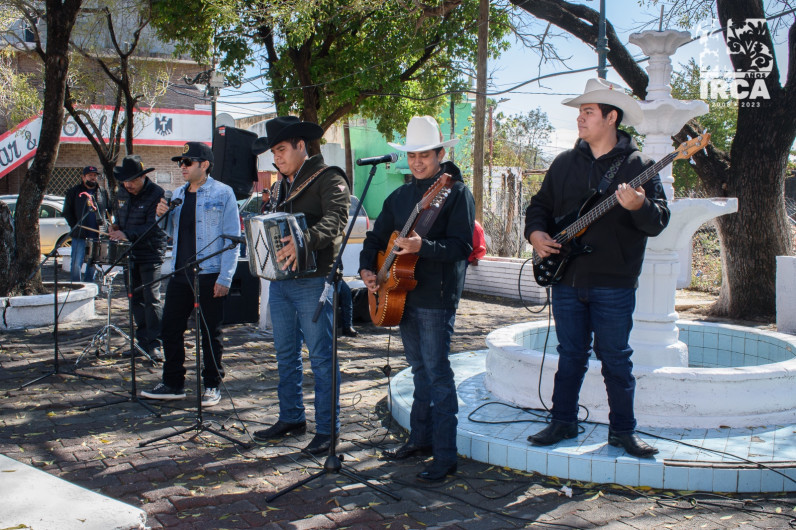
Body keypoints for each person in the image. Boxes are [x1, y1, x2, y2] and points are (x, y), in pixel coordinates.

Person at [524, 78, 671, 457]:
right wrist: (537, 234)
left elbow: (659, 221)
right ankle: (563, 421)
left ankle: (623, 431)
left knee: (616, 358)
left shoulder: (639, 166)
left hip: (614, 281)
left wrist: (640, 206)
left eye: (588, 112)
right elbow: (539, 207)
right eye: (580, 112)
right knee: (569, 355)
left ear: (611, 117)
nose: (580, 118)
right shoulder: (563, 163)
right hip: (566, 277)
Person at [360, 116, 475, 482]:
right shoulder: (400, 196)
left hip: (435, 299)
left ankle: (445, 456)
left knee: (438, 375)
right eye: (412, 156)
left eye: (425, 155)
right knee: (419, 373)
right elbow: (374, 240)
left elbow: (462, 247)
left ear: (441, 154)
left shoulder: (455, 193)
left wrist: (422, 246)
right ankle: (421, 440)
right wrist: (367, 270)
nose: (417, 162)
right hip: (400, 294)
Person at [250, 116, 350, 456]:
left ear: (301, 146)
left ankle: (327, 430)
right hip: (281, 283)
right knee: (285, 355)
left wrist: (304, 240)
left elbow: (337, 220)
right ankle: (291, 417)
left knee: (321, 358)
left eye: (280, 150)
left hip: (314, 282)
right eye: (273, 152)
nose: (276, 157)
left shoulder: (328, 177)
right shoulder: (280, 185)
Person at [140, 142, 240, 408]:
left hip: (210, 272)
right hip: (181, 273)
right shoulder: (179, 194)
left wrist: (225, 278)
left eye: (187, 162)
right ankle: (173, 383)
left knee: (210, 333)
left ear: (204, 164)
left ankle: (211, 384)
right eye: (180, 163)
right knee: (170, 328)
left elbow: (233, 238)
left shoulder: (223, 193)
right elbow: (169, 231)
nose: (181, 167)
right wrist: (161, 215)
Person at [108, 155, 167, 361]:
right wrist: (116, 228)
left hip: (150, 252)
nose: (128, 185)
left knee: (152, 299)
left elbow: (153, 226)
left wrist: (127, 234)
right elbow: (121, 218)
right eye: (125, 181)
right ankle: (141, 343)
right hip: (129, 254)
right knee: (135, 300)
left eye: (132, 180)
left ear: (143, 177)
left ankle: (155, 344)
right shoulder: (121, 193)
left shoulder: (157, 194)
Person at [63, 165, 111, 282]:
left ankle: (89, 287)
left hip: (96, 235)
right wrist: (75, 226)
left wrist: (106, 226)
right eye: (90, 176)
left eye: (95, 176)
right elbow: (67, 212)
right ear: (83, 177)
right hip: (80, 234)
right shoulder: (74, 192)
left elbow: (108, 211)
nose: (93, 178)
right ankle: (76, 287)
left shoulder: (101, 192)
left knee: (92, 263)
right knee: (76, 262)